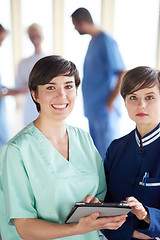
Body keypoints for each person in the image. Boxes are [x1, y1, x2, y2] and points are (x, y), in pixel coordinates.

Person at [0, 55, 127, 240]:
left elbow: (101, 194)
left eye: (68, 86)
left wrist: (97, 206)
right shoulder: (17, 151)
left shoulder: (83, 138)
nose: (62, 95)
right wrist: (78, 228)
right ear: (35, 94)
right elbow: (24, 227)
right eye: (51, 87)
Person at [103, 66, 160, 239]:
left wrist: (146, 215)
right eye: (133, 97)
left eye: (149, 97)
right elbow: (104, 209)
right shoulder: (115, 149)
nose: (141, 105)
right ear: (125, 102)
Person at [71, 8, 125, 159]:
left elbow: (122, 73)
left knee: (109, 154)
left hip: (104, 110)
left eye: (75, 25)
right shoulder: (93, 41)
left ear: (82, 23)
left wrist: (110, 102)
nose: (75, 29)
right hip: (93, 108)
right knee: (97, 154)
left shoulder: (106, 41)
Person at [15, 23, 46, 126]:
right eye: (32, 37)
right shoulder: (23, 63)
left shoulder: (51, 59)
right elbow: (19, 87)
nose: (35, 40)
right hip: (30, 107)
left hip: (47, 105)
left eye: (38, 36)